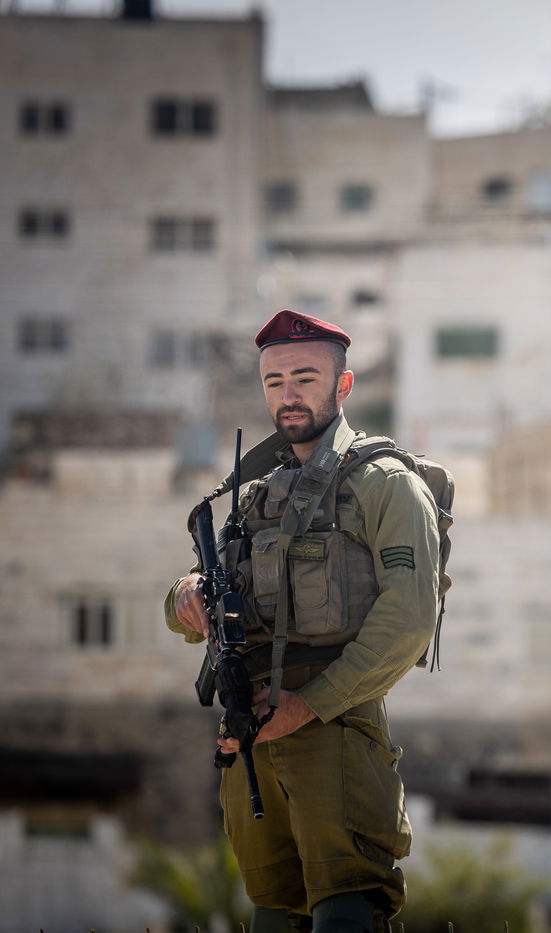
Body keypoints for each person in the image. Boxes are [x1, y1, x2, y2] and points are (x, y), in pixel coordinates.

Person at [165, 309, 440, 933]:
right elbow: (191, 608)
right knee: (271, 910)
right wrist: (185, 594)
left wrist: (309, 705)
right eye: (274, 382)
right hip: (252, 732)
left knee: (345, 905)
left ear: (342, 387)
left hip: (335, 729)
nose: (288, 395)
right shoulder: (255, 493)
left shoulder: (384, 484)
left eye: (305, 378)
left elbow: (409, 618)